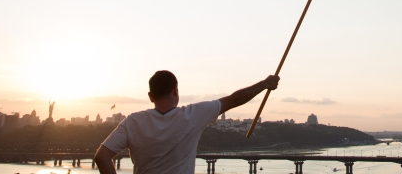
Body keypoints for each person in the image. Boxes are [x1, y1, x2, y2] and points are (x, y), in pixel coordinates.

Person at [94, 71, 279, 174]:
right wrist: (264, 84)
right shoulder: (192, 115)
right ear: (176, 90)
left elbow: (101, 157)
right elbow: (233, 100)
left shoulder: (132, 121)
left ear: (150, 96)